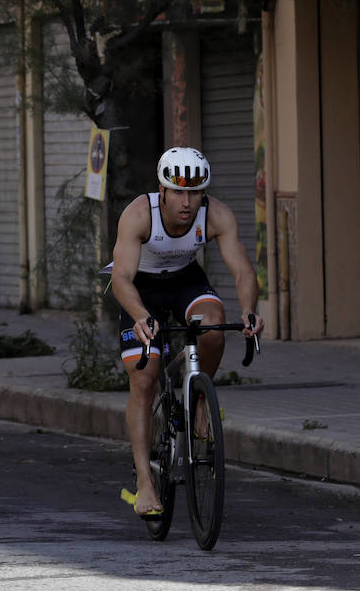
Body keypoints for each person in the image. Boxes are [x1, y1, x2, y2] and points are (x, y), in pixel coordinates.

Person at [109, 146, 263, 516]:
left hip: (185, 281)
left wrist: (249, 311)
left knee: (213, 326)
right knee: (144, 378)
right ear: (162, 191)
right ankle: (146, 483)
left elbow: (243, 271)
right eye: (178, 191)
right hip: (140, 288)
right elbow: (121, 277)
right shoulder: (138, 215)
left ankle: (198, 401)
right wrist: (141, 316)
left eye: (195, 192)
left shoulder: (217, 215)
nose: (186, 201)